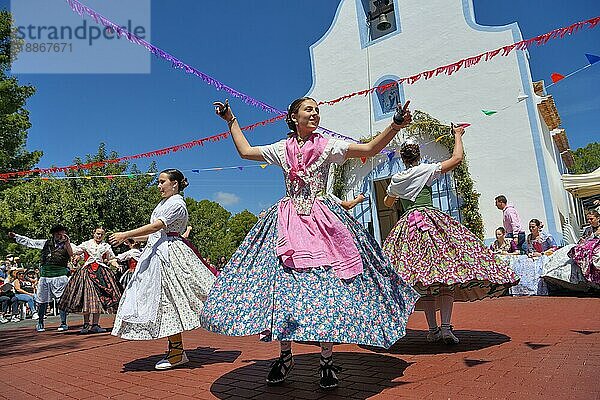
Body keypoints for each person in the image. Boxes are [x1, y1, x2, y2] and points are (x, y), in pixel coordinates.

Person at [202, 97, 419, 390]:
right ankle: (285, 356)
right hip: (289, 224)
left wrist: (395, 125)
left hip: (323, 223)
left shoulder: (328, 145)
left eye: (317, 109)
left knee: (327, 290)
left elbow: (369, 149)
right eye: (309, 109)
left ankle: (327, 360)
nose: (315, 112)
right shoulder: (281, 148)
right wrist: (231, 120)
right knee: (284, 290)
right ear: (293, 116)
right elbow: (245, 151)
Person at [382, 128, 519, 345]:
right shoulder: (426, 170)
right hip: (431, 224)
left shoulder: (397, 178)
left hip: (408, 227)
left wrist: (401, 196)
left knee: (423, 281)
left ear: (403, 157)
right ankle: (445, 328)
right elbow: (456, 159)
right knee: (446, 277)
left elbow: (387, 203)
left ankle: (433, 329)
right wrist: (457, 135)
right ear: (417, 155)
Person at [110, 169, 217, 370]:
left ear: (175, 183)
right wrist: (132, 238)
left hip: (170, 253)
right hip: (158, 251)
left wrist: (126, 234)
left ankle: (177, 351)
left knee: (170, 300)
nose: (159, 186)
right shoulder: (164, 203)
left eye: (162, 182)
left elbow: (156, 227)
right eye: (158, 182)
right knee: (165, 302)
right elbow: (154, 232)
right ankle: (176, 349)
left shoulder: (177, 203)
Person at [8, 226, 73, 332]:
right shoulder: (45, 243)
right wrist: (16, 237)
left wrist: (67, 242)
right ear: (53, 234)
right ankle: (40, 322)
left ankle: (63, 322)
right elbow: (30, 242)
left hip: (60, 276)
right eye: (57, 234)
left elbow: (72, 254)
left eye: (62, 234)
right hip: (45, 276)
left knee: (61, 300)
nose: (60, 236)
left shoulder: (68, 244)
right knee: (42, 301)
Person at [59, 227, 122, 334]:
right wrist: (67, 242)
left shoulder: (106, 246)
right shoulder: (86, 244)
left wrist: (116, 264)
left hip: (101, 272)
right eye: (97, 233)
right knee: (87, 298)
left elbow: (111, 258)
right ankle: (86, 324)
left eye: (101, 234)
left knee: (98, 299)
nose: (99, 236)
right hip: (87, 272)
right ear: (93, 233)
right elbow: (72, 252)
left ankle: (95, 324)